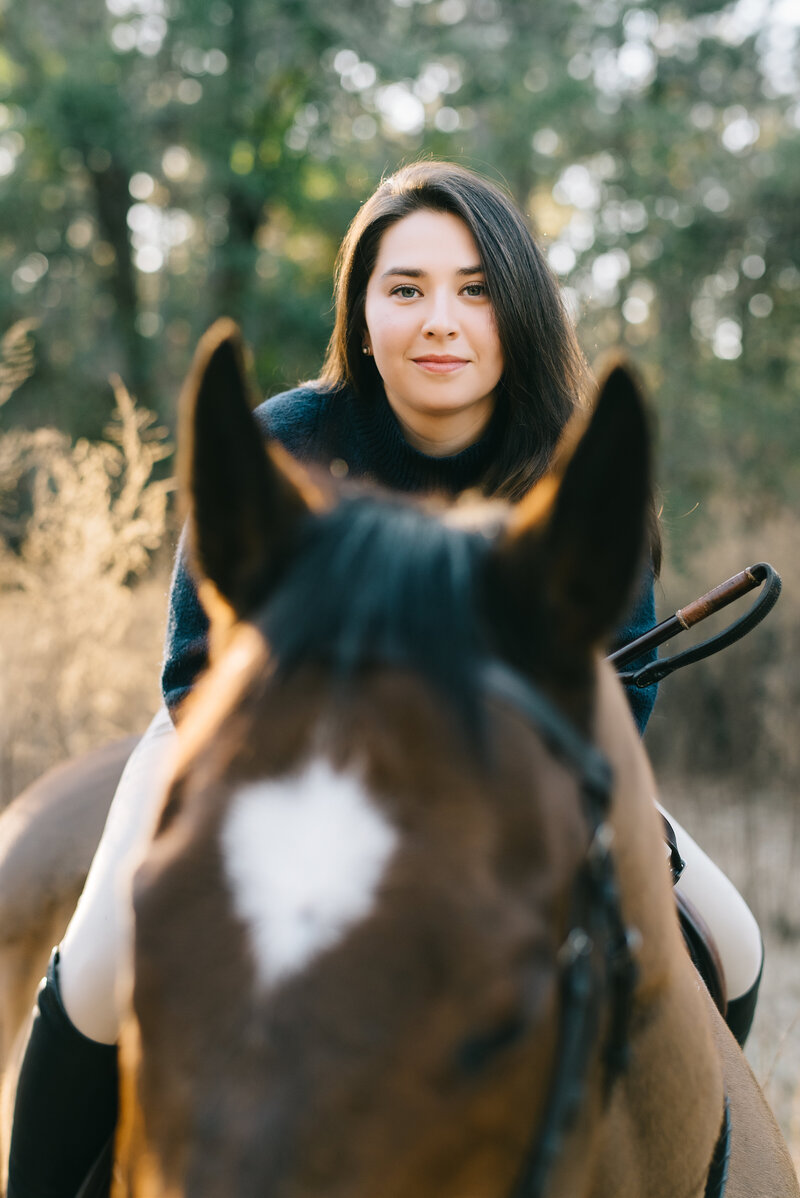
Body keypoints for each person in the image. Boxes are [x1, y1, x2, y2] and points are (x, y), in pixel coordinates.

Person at [6, 161, 763, 1198]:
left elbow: (617, 696)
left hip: (512, 761)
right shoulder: (287, 440)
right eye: (403, 289)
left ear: (518, 311)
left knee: (733, 937)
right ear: (361, 315)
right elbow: (193, 669)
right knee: (98, 966)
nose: (439, 319)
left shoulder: (571, 463)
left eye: (473, 288)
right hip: (256, 744)